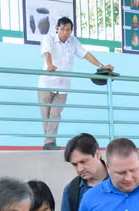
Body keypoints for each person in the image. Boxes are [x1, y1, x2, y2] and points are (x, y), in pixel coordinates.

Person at [38, 17, 113, 150]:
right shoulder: (49, 38)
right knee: (46, 115)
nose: (65, 32)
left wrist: (102, 65)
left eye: (68, 30)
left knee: (55, 114)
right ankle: (48, 143)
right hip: (46, 83)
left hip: (63, 85)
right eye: (63, 29)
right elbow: (47, 52)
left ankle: (49, 143)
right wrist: (49, 64)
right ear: (57, 29)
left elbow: (85, 54)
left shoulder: (73, 42)